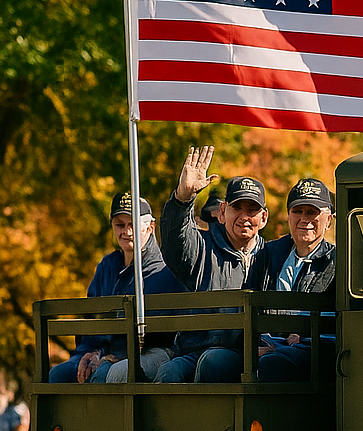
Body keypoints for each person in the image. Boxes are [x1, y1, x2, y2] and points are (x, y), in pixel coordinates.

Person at [155, 146, 268, 382]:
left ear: (264, 218)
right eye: (237, 207)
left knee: (213, 363)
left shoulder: (271, 255)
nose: (244, 216)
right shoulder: (203, 247)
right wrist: (182, 198)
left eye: (252, 210)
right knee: (169, 372)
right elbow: (175, 242)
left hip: (247, 354)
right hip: (194, 350)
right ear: (223, 211)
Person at [48, 193, 185, 384]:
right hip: (104, 352)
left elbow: (159, 336)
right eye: (120, 225)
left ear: (150, 227)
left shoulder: (164, 270)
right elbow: (91, 320)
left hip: (146, 353)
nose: (126, 231)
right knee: (58, 375)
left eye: (133, 225)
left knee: (104, 375)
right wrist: (90, 353)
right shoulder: (107, 267)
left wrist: (107, 356)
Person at [245, 177, 336, 381]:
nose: (304, 218)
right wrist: (260, 342)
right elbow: (250, 304)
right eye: (297, 211)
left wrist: (303, 337)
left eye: (312, 212)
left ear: (328, 220)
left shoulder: (337, 262)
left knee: (272, 363)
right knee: (215, 362)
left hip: (313, 351)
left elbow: (337, 325)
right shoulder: (268, 255)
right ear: (288, 216)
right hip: (265, 344)